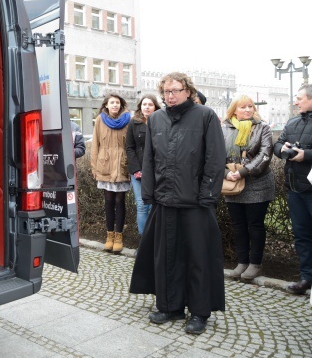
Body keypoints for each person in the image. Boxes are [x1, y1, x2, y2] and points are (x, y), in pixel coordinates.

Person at [129, 72, 226, 335]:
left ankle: (199, 312)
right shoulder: (156, 119)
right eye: (166, 92)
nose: (170, 96)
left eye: (175, 90)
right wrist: (149, 193)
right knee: (167, 258)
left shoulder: (205, 116)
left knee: (198, 259)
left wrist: (207, 195)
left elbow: (216, 159)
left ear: (187, 90)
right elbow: (148, 159)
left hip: (195, 202)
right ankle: (170, 306)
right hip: (164, 201)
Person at [222, 95, 275, 281]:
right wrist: (224, 173)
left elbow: (265, 154)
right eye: (242, 107)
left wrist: (244, 171)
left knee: (255, 225)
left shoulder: (263, 128)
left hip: (257, 183)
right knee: (238, 225)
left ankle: (255, 263)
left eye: (250, 106)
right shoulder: (225, 129)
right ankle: (242, 262)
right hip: (233, 184)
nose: (247, 110)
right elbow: (215, 154)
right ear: (234, 110)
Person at [274, 84, 312, 295]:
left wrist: (305, 155)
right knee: (302, 236)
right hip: (295, 189)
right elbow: (277, 144)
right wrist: (283, 149)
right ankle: (307, 278)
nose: (295, 102)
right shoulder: (292, 122)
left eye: (299, 98)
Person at [90, 93, 130, 253]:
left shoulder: (128, 119)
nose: (115, 105)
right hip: (105, 164)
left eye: (117, 103)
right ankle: (109, 236)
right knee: (108, 201)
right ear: (106, 105)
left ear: (121, 105)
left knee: (120, 201)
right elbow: (95, 144)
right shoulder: (100, 119)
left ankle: (119, 237)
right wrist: (94, 167)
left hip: (122, 165)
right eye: (112, 102)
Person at [126, 94, 161, 237]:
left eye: (150, 104)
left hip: (157, 170)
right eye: (144, 104)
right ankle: (143, 241)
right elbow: (129, 147)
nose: (147, 107)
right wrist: (136, 169)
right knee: (141, 205)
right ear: (140, 106)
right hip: (138, 171)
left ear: (155, 107)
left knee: (154, 205)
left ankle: (154, 240)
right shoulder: (133, 123)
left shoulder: (161, 121)